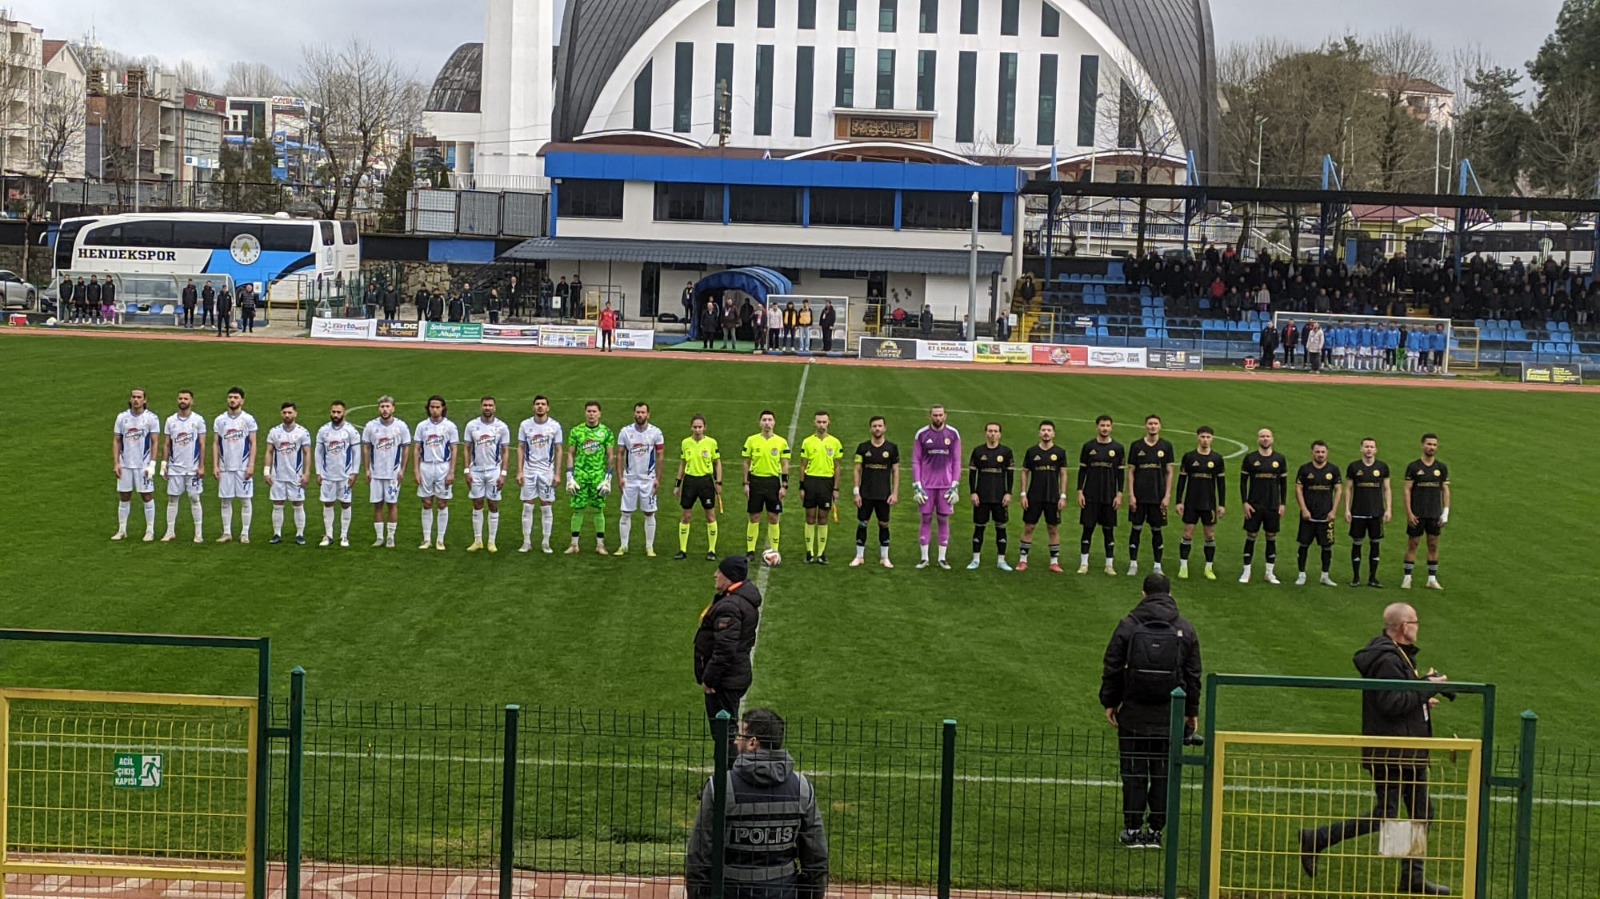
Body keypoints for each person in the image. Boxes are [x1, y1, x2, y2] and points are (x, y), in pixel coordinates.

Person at [1298, 603, 1452, 897]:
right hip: (1394, 752)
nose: (1418, 627)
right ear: (1404, 627)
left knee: (1421, 812)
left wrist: (1423, 695)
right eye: (1416, 622)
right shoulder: (1387, 660)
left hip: (1406, 750)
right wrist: (1427, 687)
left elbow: (1400, 698)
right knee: (1386, 815)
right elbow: (1391, 703)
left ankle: (1413, 878)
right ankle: (1317, 838)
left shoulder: (1396, 656)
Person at [1100, 572, 1202, 850]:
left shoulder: (1128, 626)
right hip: (1170, 712)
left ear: (1143, 594)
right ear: (1169, 594)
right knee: (1163, 773)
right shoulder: (1185, 629)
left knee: (1134, 771)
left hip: (1134, 712)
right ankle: (1156, 830)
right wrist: (1191, 710)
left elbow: (1112, 666)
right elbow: (1193, 674)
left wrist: (1110, 702)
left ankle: (1133, 829)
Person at [686, 708, 829, 899]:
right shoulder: (802, 788)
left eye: (740, 735)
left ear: (753, 743)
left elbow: (699, 855)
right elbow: (816, 857)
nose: (735, 741)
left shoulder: (720, 786)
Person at [694, 556, 763, 732]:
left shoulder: (730, 606)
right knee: (727, 729)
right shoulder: (741, 599)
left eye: (719, 572)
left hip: (725, 680)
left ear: (729, 577)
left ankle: (730, 752)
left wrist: (709, 679)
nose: (715, 575)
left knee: (725, 732)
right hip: (734, 675)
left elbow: (725, 649)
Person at [1125, 414, 1176, 577]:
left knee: (1157, 531)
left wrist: (1167, 495)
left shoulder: (1166, 446)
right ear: (1145, 426)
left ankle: (1157, 565)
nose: (1153, 426)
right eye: (1150, 423)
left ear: (1160, 426)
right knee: (1136, 529)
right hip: (1139, 496)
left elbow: (1169, 472)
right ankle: (1133, 564)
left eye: (1155, 423)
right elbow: (1131, 472)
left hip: (1157, 497)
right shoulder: (1136, 446)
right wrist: (1131, 495)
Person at [912, 405, 962, 570]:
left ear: (945, 416)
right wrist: (917, 485)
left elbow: (957, 461)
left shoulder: (953, 434)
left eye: (940, 415)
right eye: (935, 415)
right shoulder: (921, 434)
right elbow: (916, 461)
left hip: (946, 486)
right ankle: (924, 558)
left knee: (943, 519)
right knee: (926, 518)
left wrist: (955, 485)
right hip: (926, 486)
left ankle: (942, 558)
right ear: (930, 416)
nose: (938, 418)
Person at [614, 402, 666, 556]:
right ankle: (623, 545)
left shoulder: (656, 432)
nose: (640, 415)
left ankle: (649, 547)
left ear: (648, 414)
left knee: (649, 513)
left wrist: (658, 478)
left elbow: (660, 456)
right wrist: (620, 477)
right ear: (634, 413)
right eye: (638, 412)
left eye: (643, 412)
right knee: (625, 512)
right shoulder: (625, 432)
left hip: (648, 480)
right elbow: (620, 455)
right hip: (629, 479)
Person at [1238, 428, 1288, 585]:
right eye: (1262, 436)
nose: (1265, 439)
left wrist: (1282, 503)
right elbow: (1243, 482)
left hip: (1272, 505)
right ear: (1258, 439)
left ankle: (1269, 573)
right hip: (1254, 505)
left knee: (1271, 537)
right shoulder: (1250, 458)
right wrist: (1245, 502)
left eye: (1267, 436)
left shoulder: (1279, 459)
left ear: (1272, 439)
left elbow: (1283, 484)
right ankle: (1246, 571)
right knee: (1251, 536)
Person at [1017, 421, 1069, 573]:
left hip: (1053, 497)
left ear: (1053, 433)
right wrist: (1023, 494)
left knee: (1053, 528)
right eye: (1044, 430)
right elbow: (1025, 472)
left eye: (1049, 430)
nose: (1046, 433)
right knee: (1029, 527)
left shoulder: (1060, 452)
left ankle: (1054, 562)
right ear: (1039, 433)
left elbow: (1063, 474)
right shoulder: (1032, 452)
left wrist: (1063, 495)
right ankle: (1022, 560)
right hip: (1034, 496)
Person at [1175, 426, 1225, 580]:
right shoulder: (1189, 457)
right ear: (1197, 438)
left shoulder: (1217, 459)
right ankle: (1183, 567)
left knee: (1209, 535)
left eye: (1208, 437)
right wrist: (1178, 501)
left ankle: (1208, 568)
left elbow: (1221, 484)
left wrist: (1222, 504)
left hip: (1209, 504)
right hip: (1191, 503)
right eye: (1202, 437)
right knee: (1187, 533)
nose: (1205, 440)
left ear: (1212, 439)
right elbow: (1181, 481)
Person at [462, 396, 511, 553]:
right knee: (477, 503)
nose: (487, 408)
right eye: (485, 405)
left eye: (490, 405)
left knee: (493, 504)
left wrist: (503, 473)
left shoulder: (502, 427)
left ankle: (491, 541)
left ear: (494, 408)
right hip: (476, 470)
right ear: (481, 407)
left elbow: (505, 451)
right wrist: (466, 470)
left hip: (493, 471)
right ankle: (477, 541)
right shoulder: (472, 426)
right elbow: (466, 448)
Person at [566, 401, 616, 555]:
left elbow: (610, 456)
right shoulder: (576, 431)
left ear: (599, 414)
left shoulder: (606, 432)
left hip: (598, 477)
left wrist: (608, 478)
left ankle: (600, 545)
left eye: (594, 411)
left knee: (598, 510)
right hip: (580, 476)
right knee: (578, 510)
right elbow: (571, 454)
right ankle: (574, 544)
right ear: (585, 413)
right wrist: (569, 477)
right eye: (589, 411)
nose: (591, 414)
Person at [1401, 434, 1450, 591]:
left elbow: (1445, 490)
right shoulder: (1414, 467)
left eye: (1434, 445)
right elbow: (1407, 490)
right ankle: (1407, 578)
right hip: (1417, 513)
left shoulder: (1441, 468)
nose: (1431, 447)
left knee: (1433, 545)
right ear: (1422, 445)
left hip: (1434, 513)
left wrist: (1445, 512)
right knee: (1413, 544)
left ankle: (1432, 579)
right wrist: (1409, 513)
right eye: (1429, 444)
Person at [112, 388, 162, 542]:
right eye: (133, 397)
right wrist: (116, 463)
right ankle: (122, 530)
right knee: (124, 495)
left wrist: (152, 464)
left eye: (139, 397)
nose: (136, 400)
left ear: (144, 400)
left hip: (143, 465)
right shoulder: (122, 417)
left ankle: (150, 530)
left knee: (146, 495)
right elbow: (117, 440)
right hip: (125, 464)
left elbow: (155, 442)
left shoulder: (151, 418)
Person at [516, 396, 564, 554]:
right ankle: (526, 542)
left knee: (546, 505)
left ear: (548, 408)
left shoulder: (555, 426)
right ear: (533, 407)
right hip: (529, 471)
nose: (540, 406)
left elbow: (559, 450)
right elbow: (521, 447)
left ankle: (545, 542)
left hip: (546, 472)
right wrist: (519, 471)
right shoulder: (525, 425)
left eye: (543, 404)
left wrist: (557, 473)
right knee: (527, 505)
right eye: (537, 404)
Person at [1078, 415, 1125, 575]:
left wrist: (1119, 494)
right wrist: (1080, 491)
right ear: (1097, 427)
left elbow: (1120, 474)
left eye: (1107, 426)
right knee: (1087, 529)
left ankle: (1109, 565)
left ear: (1112, 427)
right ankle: (1084, 564)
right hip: (1090, 495)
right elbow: (1082, 471)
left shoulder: (1118, 448)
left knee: (1108, 531)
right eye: (1102, 425)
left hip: (1109, 496)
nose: (1105, 428)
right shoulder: (1088, 447)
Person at [362, 395, 411, 548]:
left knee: (392, 503)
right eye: (382, 406)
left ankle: (390, 537)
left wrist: (402, 469)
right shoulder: (371, 426)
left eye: (387, 406)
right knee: (377, 504)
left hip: (393, 473)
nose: (385, 409)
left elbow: (406, 448)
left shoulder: (401, 426)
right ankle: (379, 537)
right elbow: (366, 448)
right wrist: (367, 469)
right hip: (376, 473)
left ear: (393, 408)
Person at [851, 415, 900, 568]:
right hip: (865, 493)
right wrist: (856, 492)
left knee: (884, 524)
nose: (877, 428)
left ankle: (884, 557)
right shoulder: (862, 448)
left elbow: (895, 471)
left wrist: (895, 493)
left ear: (885, 428)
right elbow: (857, 470)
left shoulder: (892, 448)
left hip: (883, 494)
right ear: (870, 428)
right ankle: (859, 556)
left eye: (880, 426)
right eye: (874, 426)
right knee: (862, 523)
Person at [413, 396, 461, 552]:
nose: (434, 410)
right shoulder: (422, 426)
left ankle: (440, 539)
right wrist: (416, 470)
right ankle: (427, 539)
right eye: (432, 407)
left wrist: (452, 471)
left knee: (442, 503)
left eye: (437, 407)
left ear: (443, 408)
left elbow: (454, 449)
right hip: (426, 466)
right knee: (427, 503)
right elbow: (417, 449)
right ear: (428, 408)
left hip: (443, 467)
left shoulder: (450, 426)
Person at [212, 387, 259, 543]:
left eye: (236, 397)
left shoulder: (248, 419)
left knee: (245, 499)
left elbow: (253, 443)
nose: (232, 400)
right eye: (230, 397)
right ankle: (227, 532)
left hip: (242, 466)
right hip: (225, 466)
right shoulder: (220, 420)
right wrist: (215, 465)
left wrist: (251, 465)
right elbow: (215, 443)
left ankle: (245, 533)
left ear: (242, 401)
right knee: (225, 500)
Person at [741, 410, 790, 559]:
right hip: (756, 481)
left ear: (774, 423)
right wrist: (746, 483)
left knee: (773, 517)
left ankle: (774, 550)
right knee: (754, 516)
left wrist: (784, 485)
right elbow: (746, 463)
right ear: (760, 423)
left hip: (773, 482)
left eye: (770, 420)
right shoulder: (751, 440)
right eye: (764, 420)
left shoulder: (781, 442)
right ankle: (750, 551)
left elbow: (785, 464)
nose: (767, 423)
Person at [1345, 437, 1392, 588]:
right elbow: (1349, 489)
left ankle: (1373, 578)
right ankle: (1356, 577)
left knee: (1375, 544)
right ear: (1361, 449)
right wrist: (1347, 509)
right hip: (1358, 512)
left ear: (1376, 450)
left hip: (1376, 512)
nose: (1369, 449)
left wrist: (1388, 508)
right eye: (1366, 447)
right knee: (1357, 543)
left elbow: (1387, 489)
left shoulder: (1382, 467)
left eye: (1371, 447)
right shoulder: (1354, 467)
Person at [1294, 440, 1343, 586]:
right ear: (1312, 453)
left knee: (1326, 547)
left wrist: (1334, 511)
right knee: (1304, 545)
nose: (1320, 454)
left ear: (1327, 453)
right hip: (1308, 516)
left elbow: (1338, 490)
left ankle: (1325, 576)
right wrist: (1304, 509)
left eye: (1323, 452)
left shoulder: (1333, 470)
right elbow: (1298, 489)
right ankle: (1301, 574)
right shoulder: (1304, 469)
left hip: (1326, 516)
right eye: (1317, 452)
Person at [160, 390, 207, 543]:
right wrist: (164, 465)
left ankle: (198, 533)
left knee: (194, 498)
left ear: (192, 401)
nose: (183, 401)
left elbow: (202, 444)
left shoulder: (198, 420)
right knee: (172, 498)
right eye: (180, 398)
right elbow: (167, 444)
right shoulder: (170, 421)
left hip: (192, 467)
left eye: (186, 398)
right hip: (175, 467)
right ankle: (170, 531)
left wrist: (201, 466)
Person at [967, 422, 1015, 571]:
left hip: (1000, 497)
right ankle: (975, 560)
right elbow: (972, 474)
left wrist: (1008, 493)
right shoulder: (978, 451)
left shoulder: (1006, 452)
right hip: (981, 497)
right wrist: (973, 492)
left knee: (1001, 528)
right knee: (979, 528)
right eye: (990, 431)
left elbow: (1010, 474)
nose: (992, 434)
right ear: (986, 433)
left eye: (995, 431)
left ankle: (1001, 561)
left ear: (1000, 434)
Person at [674, 414, 723, 561]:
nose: (697, 430)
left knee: (710, 515)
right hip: (690, 481)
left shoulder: (711, 443)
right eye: (695, 427)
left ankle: (712, 550)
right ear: (691, 427)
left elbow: (717, 463)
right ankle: (682, 550)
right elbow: (682, 464)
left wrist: (718, 482)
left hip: (705, 481)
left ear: (705, 427)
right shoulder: (685, 443)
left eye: (700, 427)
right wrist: (677, 484)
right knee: (686, 515)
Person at [314, 400, 362, 547]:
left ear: (344, 413)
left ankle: (344, 536)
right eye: (333, 412)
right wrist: (318, 472)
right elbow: (318, 452)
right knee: (328, 503)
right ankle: (328, 535)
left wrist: (354, 472)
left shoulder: (351, 431)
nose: (335, 415)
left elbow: (357, 453)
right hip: (327, 475)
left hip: (345, 475)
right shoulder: (323, 430)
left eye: (338, 412)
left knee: (345, 503)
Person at [798, 410, 843, 564]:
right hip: (811, 481)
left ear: (829, 423)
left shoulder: (835, 443)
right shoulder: (807, 442)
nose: (821, 425)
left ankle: (821, 553)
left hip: (826, 483)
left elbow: (837, 467)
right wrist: (802, 487)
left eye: (824, 422)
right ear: (814, 423)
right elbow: (802, 466)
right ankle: (809, 552)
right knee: (810, 517)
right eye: (819, 422)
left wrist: (835, 488)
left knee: (823, 518)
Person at [264, 402, 312, 545]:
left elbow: (307, 453)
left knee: (298, 503)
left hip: (295, 475)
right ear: (281, 414)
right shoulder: (274, 432)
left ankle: (300, 534)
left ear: (295, 414)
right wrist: (266, 472)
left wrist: (307, 473)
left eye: (289, 413)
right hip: (277, 475)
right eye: (284, 412)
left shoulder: (302, 432)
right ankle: (277, 533)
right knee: (277, 504)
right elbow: (269, 451)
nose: (287, 415)